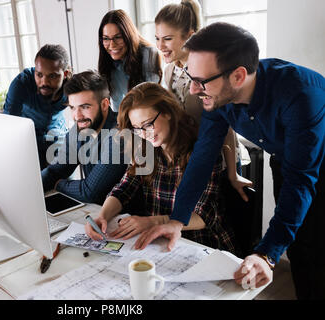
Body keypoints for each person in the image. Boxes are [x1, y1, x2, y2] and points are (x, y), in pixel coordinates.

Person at [134, 22, 325, 299]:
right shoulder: (216, 97)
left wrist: (266, 255)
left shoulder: (300, 95)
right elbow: (203, 154)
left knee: (316, 246)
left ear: (238, 76)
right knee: (298, 247)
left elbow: (301, 181)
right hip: (286, 159)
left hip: (315, 160)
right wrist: (178, 219)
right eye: (191, 77)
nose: (192, 91)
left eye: (201, 82)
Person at [85, 82, 236, 254]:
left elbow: (203, 215)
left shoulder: (201, 151)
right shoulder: (144, 149)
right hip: (160, 242)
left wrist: (152, 222)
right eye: (136, 128)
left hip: (202, 244)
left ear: (168, 112)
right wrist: (102, 216)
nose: (144, 134)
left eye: (148, 124)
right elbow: (124, 188)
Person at [155, 0, 252, 202]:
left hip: (222, 159)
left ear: (189, 37)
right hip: (195, 158)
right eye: (157, 38)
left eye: (167, 39)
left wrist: (233, 174)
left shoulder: (208, 70)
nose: (160, 46)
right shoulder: (169, 71)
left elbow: (226, 127)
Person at [41, 70, 128, 205]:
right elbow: (55, 170)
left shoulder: (119, 135)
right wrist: (29, 187)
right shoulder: (78, 129)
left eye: (85, 107)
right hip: (97, 212)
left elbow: (90, 193)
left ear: (104, 104)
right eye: (72, 108)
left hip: (126, 217)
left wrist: (58, 184)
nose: (77, 116)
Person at [3, 44, 71, 169]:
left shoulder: (72, 88)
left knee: (62, 180)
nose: (44, 82)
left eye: (52, 76)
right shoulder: (21, 84)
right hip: (28, 141)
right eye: (39, 75)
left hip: (57, 138)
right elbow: (9, 123)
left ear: (65, 74)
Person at [98, 9, 162, 112]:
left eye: (118, 37)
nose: (112, 45)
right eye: (106, 38)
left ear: (128, 35)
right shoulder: (109, 63)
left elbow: (152, 102)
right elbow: (118, 108)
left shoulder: (149, 54)